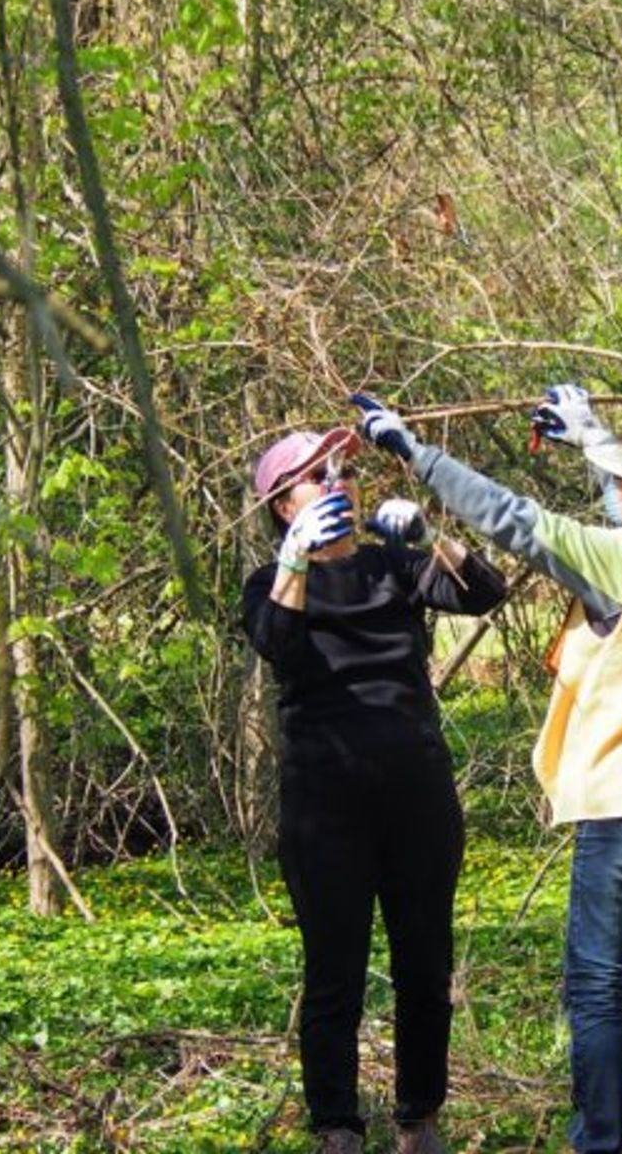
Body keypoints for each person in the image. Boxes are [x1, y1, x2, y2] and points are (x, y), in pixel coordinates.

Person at [351, 387, 622, 1154]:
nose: (615, 489)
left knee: (595, 990)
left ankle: (600, 1144)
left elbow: (513, 519)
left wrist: (413, 451)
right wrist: (590, 437)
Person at [241, 427, 509, 1154]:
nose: (339, 482)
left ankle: (419, 1118)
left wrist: (432, 538)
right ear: (283, 505)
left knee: (425, 966)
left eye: (345, 470)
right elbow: (277, 642)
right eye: (318, 475)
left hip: (417, 797)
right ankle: (337, 1125)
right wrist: (296, 558)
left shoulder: (394, 565)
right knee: (335, 973)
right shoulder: (268, 583)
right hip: (325, 808)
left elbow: (487, 592)